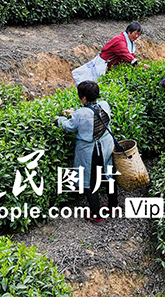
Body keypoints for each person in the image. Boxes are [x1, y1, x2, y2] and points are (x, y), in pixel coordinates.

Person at [57, 81, 117, 224]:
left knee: (91, 181)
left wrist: (59, 119)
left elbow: (69, 127)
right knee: (109, 175)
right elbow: (90, 115)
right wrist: (75, 114)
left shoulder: (81, 114)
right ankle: (113, 207)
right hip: (107, 146)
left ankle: (96, 215)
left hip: (92, 151)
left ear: (83, 98)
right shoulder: (104, 104)